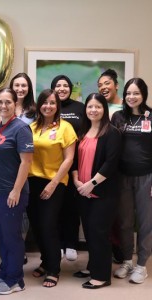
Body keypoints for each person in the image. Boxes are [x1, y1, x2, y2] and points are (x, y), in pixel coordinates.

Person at [0, 88, 33, 295]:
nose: (3, 106)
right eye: (0, 102)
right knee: (1, 234)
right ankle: (5, 272)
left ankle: (16, 279)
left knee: (12, 236)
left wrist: (16, 190)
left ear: (15, 104)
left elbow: (26, 162)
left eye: (8, 102)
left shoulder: (21, 129)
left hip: (11, 192)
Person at [27, 89, 77, 288]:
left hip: (54, 182)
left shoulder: (66, 128)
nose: (48, 106)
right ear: (39, 105)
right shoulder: (32, 127)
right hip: (32, 181)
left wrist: (53, 183)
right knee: (37, 225)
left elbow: (69, 159)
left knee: (48, 225)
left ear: (58, 106)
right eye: (44, 102)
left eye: (52, 103)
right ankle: (45, 261)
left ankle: (54, 268)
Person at [72, 93, 121, 289]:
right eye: (90, 106)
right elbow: (75, 159)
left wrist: (91, 184)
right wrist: (76, 181)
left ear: (104, 109)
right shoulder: (83, 132)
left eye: (98, 107)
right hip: (82, 190)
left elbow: (111, 163)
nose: (93, 110)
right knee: (90, 232)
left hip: (103, 192)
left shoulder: (112, 133)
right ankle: (93, 266)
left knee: (99, 232)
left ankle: (101, 276)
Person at [111, 78, 152, 284]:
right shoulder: (118, 117)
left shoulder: (151, 116)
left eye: (136, 93)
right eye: (128, 93)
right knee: (125, 222)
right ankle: (127, 260)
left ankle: (142, 264)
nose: (131, 97)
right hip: (122, 177)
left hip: (146, 177)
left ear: (143, 94)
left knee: (145, 222)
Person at [51, 75, 84, 261]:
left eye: (65, 85)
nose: (62, 88)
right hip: (52, 165)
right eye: (58, 85)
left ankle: (71, 243)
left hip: (74, 163)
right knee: (54, 206)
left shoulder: (80, 108)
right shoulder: (49, 106)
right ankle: (56, 244)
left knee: (72, 205)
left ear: (70, 88)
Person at [9, 72, 36, 264]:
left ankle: (21, 247)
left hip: (27, 165)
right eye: (16, 85)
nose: (20, 89)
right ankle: (9, 245)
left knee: (23, 209)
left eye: (24, 85)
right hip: (6, 166)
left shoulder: (34, 112)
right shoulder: (3, 106)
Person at [98, 68, 124, 264]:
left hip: (123, 169)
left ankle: (121, 250)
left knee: (120, 214)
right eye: (99, 85)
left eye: (106, 83)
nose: (103, 87)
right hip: (103, 169)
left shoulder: (125, 109)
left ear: (116, 85)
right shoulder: (98, 110)